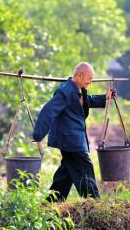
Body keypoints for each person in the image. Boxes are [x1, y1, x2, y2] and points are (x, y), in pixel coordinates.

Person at [32, 62, 111, 202]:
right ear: (79, 75)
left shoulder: (78, 90)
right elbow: (49, 110)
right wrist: (38, 134)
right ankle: (94, 204)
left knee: (66, 173)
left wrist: (105, 97)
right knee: (85, 167)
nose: (90, 82)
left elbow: (87, 101)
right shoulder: (65, 91)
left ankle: (51, 203)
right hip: (70, 140)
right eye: (89, 78)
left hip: (74, 138)